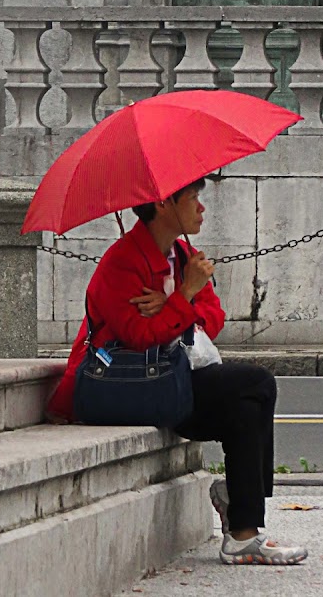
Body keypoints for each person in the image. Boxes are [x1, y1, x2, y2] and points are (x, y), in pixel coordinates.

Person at [45, 178, 307, 567]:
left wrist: (173, 301)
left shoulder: (184, 254)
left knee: (248, 404)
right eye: (193, 198)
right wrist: (183, 296)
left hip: (166, 380)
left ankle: (243, 531)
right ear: (165, 204)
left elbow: (213, 319)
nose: (201, 208)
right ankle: (240, 513)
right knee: (255, 382)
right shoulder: (120, 263)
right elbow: (139, 337)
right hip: (126, 388)